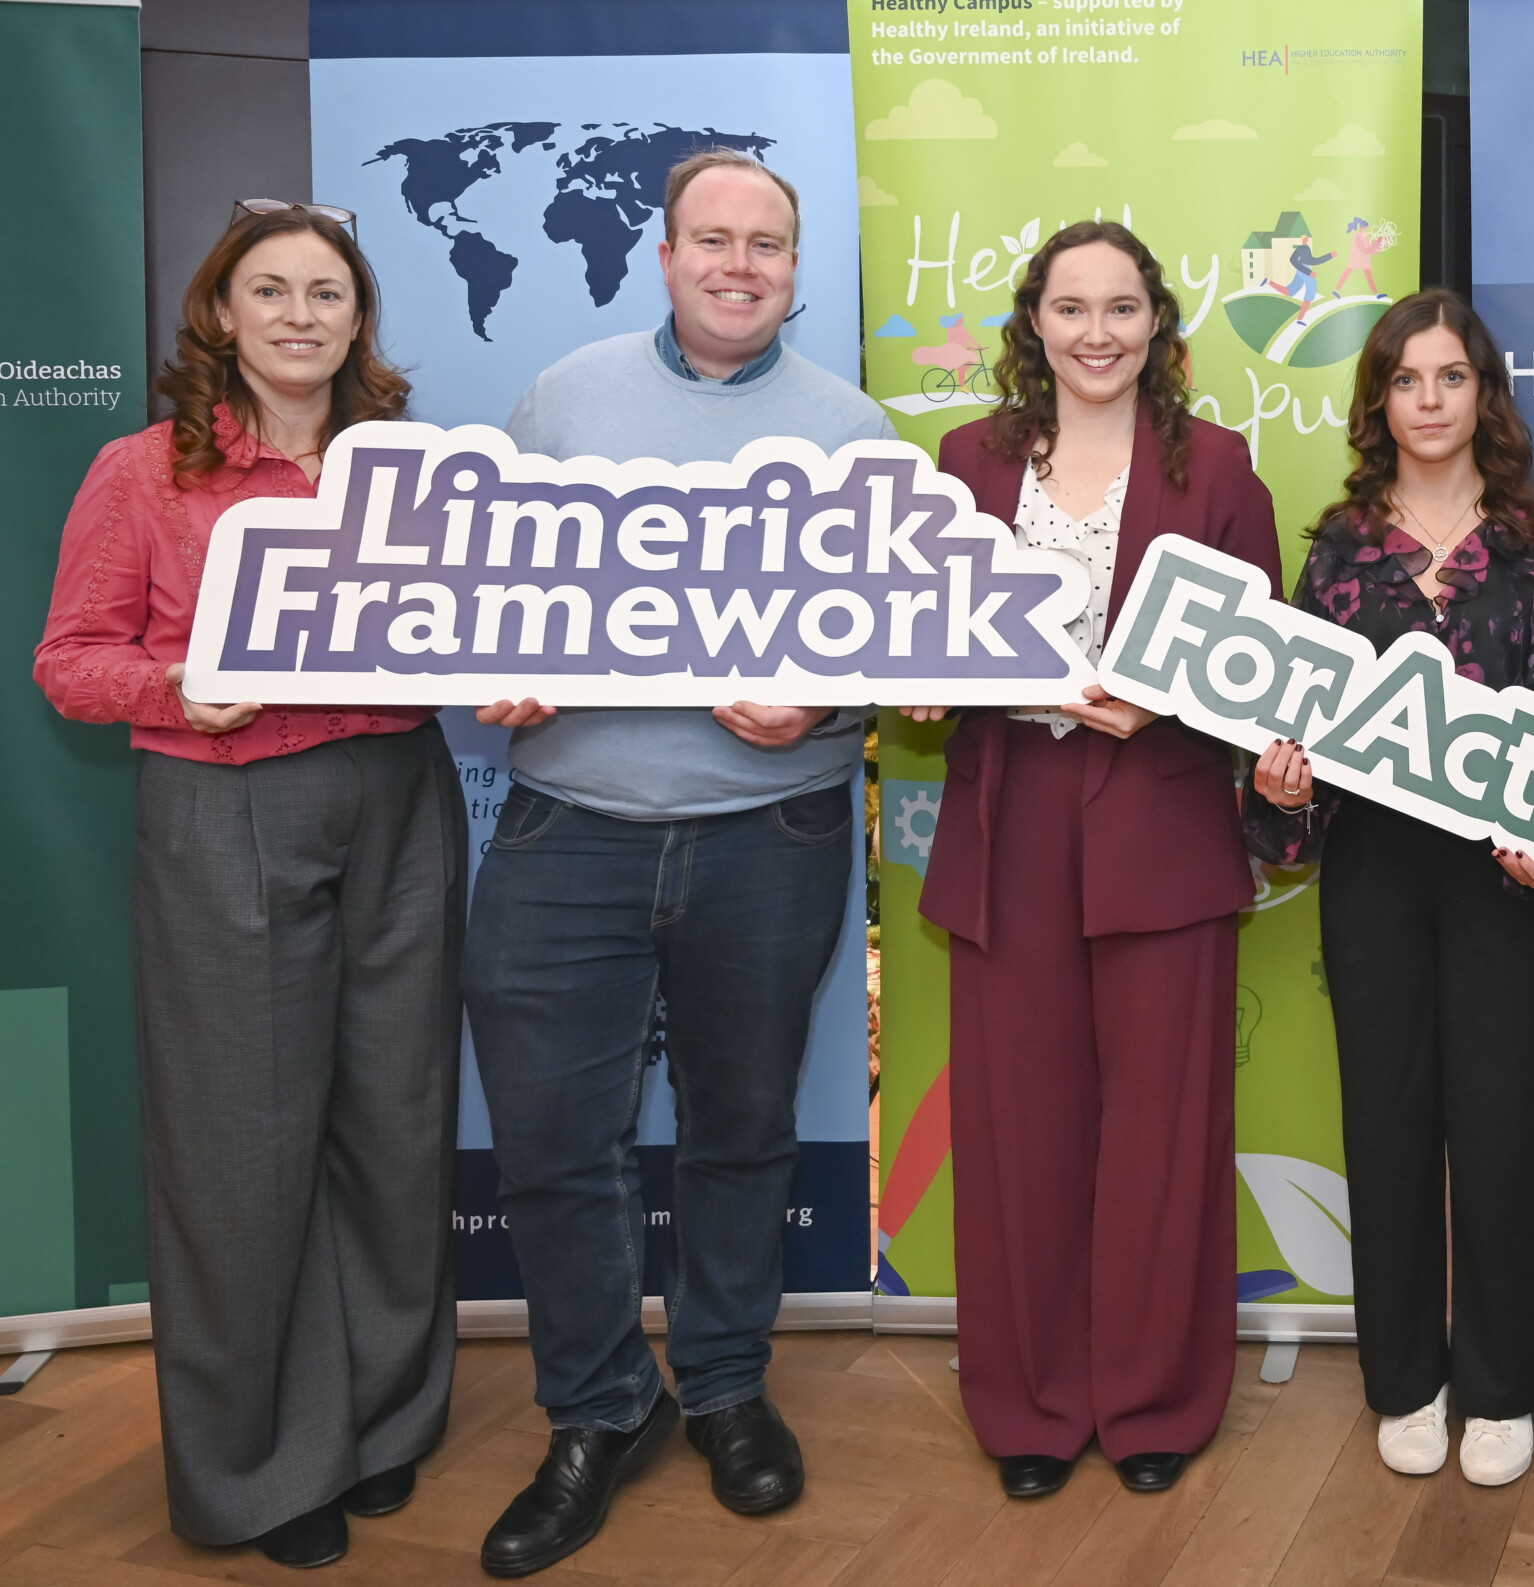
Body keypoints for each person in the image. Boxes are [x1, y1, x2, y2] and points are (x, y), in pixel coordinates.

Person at [461, 149, 895, 1577]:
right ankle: (598, 1406)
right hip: (565, 827)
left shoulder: (855, 433)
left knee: (741, 1125)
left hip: (769, 830)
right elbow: (478, 594)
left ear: (794, 267)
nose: (739, 264)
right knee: (550, 1142)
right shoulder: (562, 399)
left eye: (767, 244)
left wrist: (823, 703)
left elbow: (904, 648)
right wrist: (497, 665)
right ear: (663, 252)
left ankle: (721, 1381)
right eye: (713, 238)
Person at [34, 203, 460, 1571]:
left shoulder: (405, 469)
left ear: (357, 320)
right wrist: (177, 685)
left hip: (401, 796)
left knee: (395, 1128)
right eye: (266, 290)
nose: (297, 314)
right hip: (228, 808)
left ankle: (385, 1420)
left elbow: (461, 631)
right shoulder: (143, 470)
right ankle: (263, 1467)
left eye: (325, 293)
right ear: (219, 313)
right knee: (241, 1152)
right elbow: (69, 658)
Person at [904, 220, 1282, 1501]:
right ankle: (1028, 1406)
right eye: (1072, 309)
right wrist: (921, 691)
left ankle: (1155, 1400)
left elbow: (1261, 675)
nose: (1098, 332)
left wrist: (1170, 702)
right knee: (1020, 1132)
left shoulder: (1222, 469)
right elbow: (925, 645)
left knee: (1165, 1135)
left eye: (1122, 308)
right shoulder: (964, 462)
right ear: (1034, 326)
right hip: (1010, 819)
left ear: (1157, 327)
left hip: (1161, 828)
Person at [1247, 288, 1534, 1487]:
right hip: (1376, 871)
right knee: (1386, 1124)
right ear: (1378, 398)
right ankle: (1405, 1377)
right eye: (1407, 379)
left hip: (1502, 877)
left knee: (1501, 1128)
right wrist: (1284, 790)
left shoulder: (1529, 540)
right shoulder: (1339, 544)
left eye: (1452, 377)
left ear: (1480, 394)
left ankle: (1500, 1385)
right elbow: (1287, 719)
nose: (1430, 400)